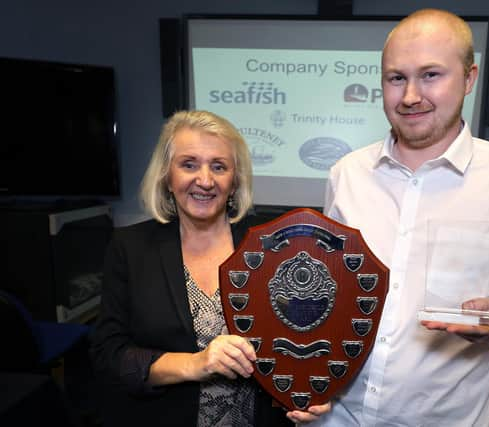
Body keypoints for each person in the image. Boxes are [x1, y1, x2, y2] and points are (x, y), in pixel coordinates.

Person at [313, 9, 489, 426]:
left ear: (468, 78)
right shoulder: (347, 175)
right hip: (337, 418)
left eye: (431, 75)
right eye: (396, 78)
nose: (410, 96)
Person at [90, 110, 326, 426]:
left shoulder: (273, 245)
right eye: (189, 164)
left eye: (219, 167)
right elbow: (109, 356)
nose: (205, 180)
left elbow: (306, 336)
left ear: (235, 180)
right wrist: (196, 363)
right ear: (167, 176)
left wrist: (313, 391)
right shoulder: (130, 247)